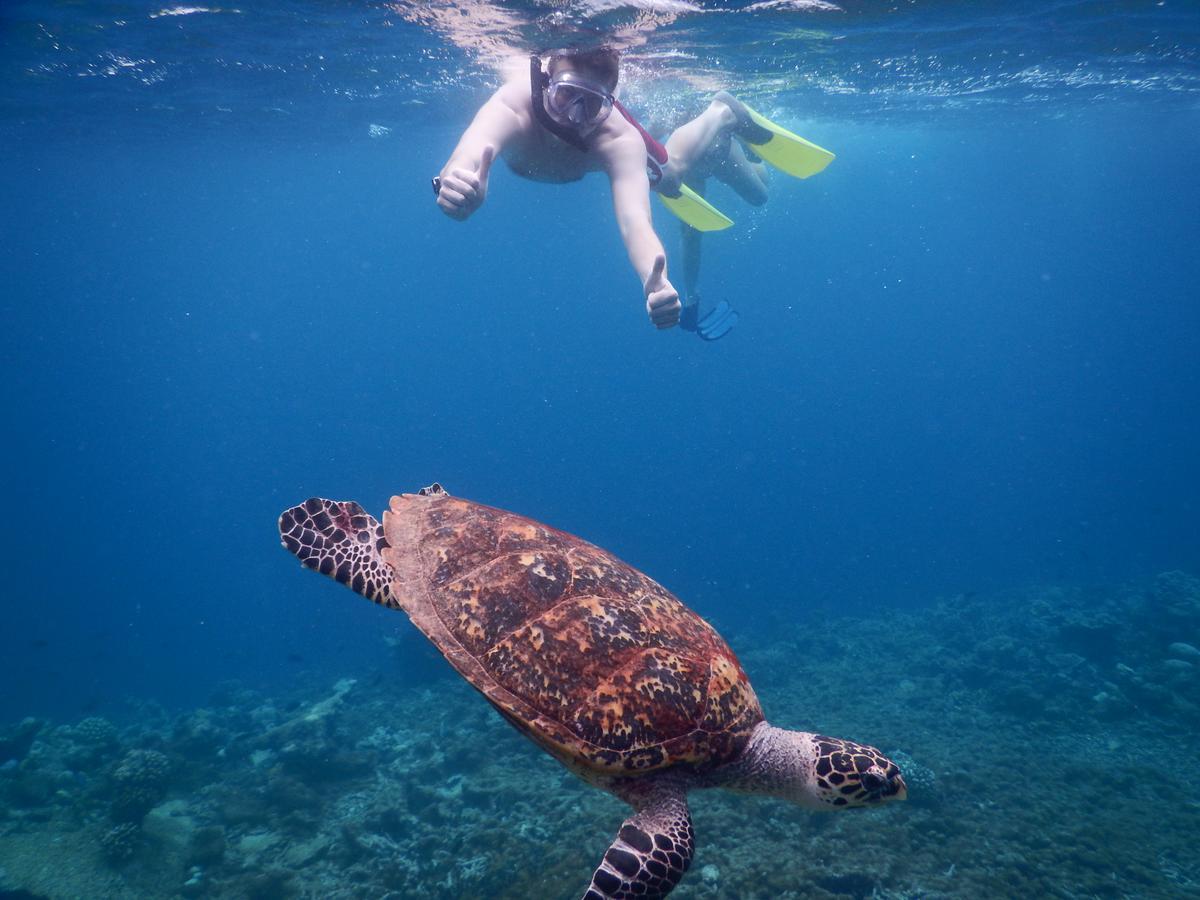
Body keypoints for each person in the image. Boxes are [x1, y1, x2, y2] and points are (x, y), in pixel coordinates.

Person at [433, 46, 682, 332]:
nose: (574, 116)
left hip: (632, 141)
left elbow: (635, 221)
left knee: (671, 177)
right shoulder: (514, 104)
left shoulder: (619, 139)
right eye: (565, 95)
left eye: (591, 104)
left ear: (609, 105)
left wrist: (655, 280)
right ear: (545, 84)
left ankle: (716, 118)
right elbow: (469, 152)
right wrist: (458, 184)